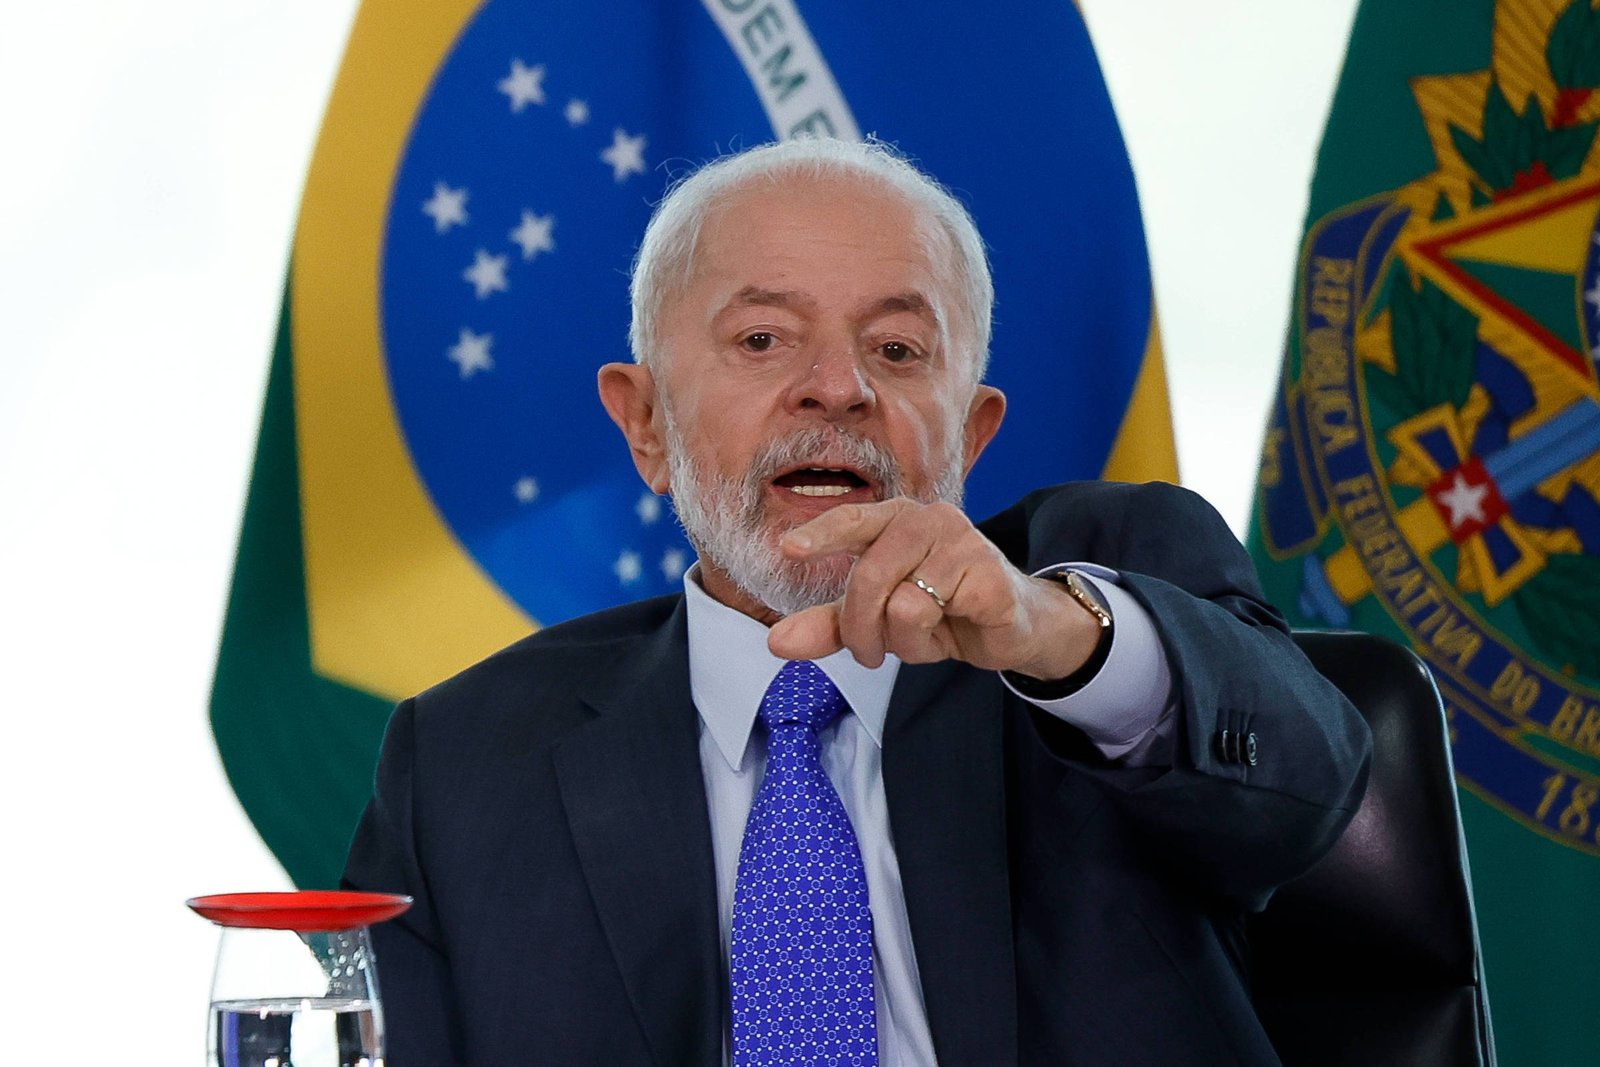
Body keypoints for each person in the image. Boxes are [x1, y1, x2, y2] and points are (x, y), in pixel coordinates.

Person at [343, 138, 1371, 1066]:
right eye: (762, 339)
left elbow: (1315, 775)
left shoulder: (1096, 589)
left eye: (896, 349)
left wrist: (1055, 636)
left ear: (971, 435)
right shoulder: (465, 761)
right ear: (645, 422)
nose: (837, 387)